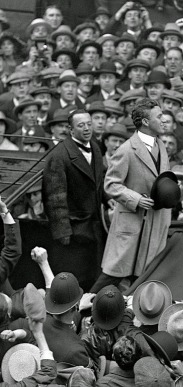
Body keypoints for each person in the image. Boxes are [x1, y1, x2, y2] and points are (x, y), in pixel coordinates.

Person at [92, 98, 171, 292]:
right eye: (159, 116)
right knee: (112, 275)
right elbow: (111, 184)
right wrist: (135, 199)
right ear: (145, 121)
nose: (164, 120)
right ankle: (82, 309)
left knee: (143, 277)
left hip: (154, 224)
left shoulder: (161, 146)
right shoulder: (127, 150)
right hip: (132, 223)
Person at [42, 108, 106, 289]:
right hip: (74, 230)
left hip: (94, 227)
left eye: (88, 124)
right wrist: (63, 234)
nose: (87, 129)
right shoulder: (59, 156)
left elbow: (99, 183)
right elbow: (55, 199)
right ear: (71, 130)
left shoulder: (95, 147)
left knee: (93, 275)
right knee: (73, 278)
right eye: (81, 125)